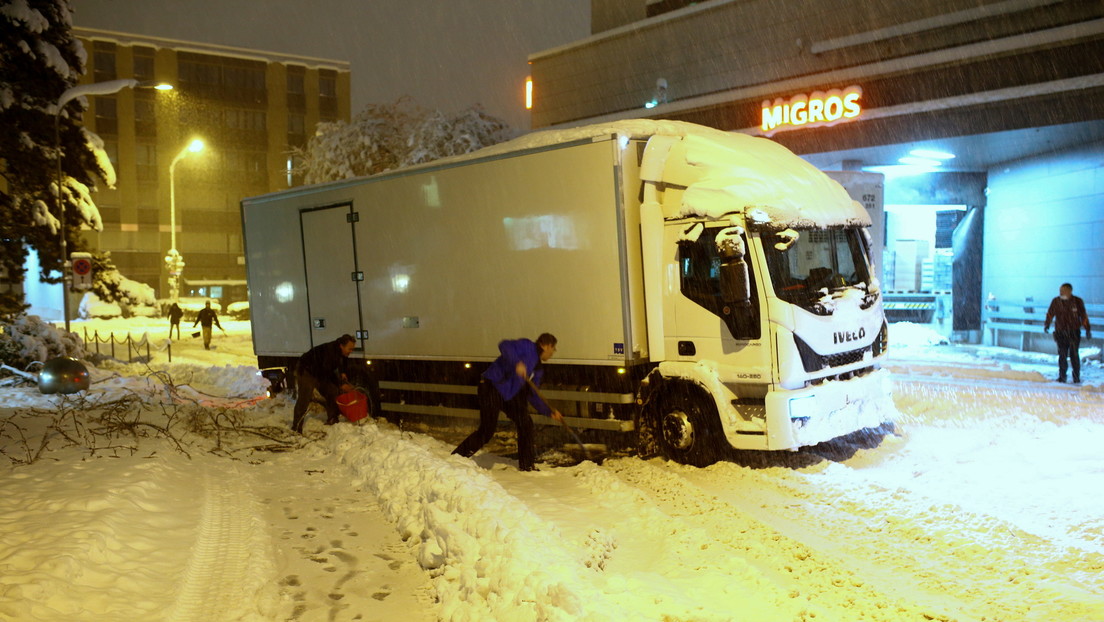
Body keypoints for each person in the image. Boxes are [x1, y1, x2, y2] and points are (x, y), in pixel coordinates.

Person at [453, 333, 562, 471]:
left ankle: (527, 466)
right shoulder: (527, 345)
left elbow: (533, 394)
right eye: (553, 348)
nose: (553, 352)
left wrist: (549, 411)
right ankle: (457, 457)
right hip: (491, 386)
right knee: (487, 430)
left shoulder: (538, 369)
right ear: (546, 345)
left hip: (508, 395)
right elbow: (504, 345)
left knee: (525, 423)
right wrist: (517, 363)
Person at [292, 334, 356, 434]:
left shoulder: (341, 352)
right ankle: (296, 426)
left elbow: (343, 361)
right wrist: (341, 384)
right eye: (350, 349)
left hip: (320, 370)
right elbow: (327, 373)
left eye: (353, 349)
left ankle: (332, 418)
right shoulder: (330, 353)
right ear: (341, 346)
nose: (351, 351)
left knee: (332, 391)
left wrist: (343, 373)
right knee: (305, 397)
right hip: (307, 369)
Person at [1044, 283, 1092, 383]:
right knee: (1062, 355)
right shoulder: (1056, 301)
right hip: (1060, 332)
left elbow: (1083, 316)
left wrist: (1087, 329)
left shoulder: (1077, 301)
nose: (1061, 292)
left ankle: (1076, 377)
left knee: (1074, 355)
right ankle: (1062, 376)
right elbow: (1050, 314)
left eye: (1064, 290)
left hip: (1074, 332)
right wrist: (1047, 324)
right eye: (1060, 290)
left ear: (1070, 291)